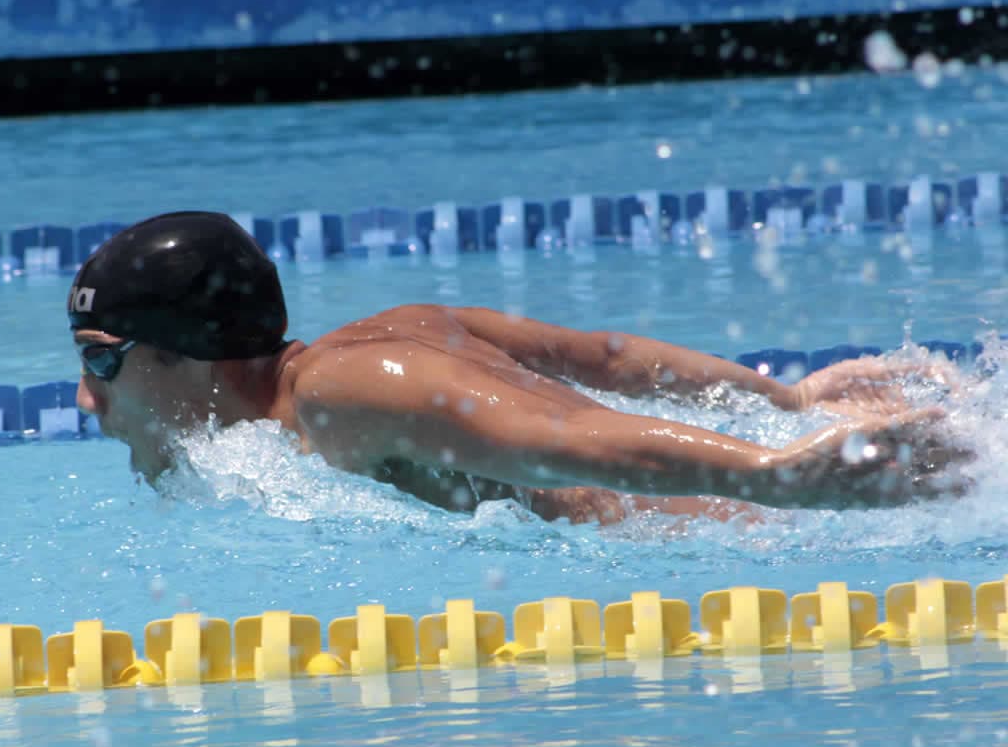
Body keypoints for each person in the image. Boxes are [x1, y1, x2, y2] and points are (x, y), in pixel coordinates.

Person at [67, 211, 969, 525]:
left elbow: (571, 432)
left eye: (101, 364)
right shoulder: (398, 330)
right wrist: (785, 398)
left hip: (727, 528)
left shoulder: (342, 397)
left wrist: (781, 475)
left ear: (182, 354)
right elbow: (603, 357)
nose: (85, 400)